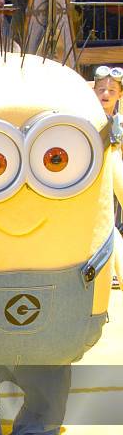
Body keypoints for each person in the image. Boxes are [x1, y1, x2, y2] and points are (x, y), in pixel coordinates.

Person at [93, 65, 123, 288]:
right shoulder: (87, 118)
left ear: (120, 94)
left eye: (112, 91)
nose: (105, 94)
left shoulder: (119, 122)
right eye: (101, 89)